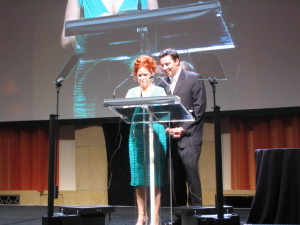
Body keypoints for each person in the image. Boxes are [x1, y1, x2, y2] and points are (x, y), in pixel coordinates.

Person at [61, 0, 158, 118]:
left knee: (144, 121)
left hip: (137, 68)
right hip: (92, 72)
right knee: (85, 130)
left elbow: (158, 30)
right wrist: (92, 25)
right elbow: (65, 41)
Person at [157, 49, 207, 225]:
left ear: (177, 61)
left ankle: (196, 215)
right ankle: (179, 217)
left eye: (168, 64)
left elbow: (199, 109)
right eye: (162, 65)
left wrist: (183, 129)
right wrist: (167, 129)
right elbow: (160, 111)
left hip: (190, 137)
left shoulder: (194, 78)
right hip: (171, 137)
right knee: (175, 179)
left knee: (191, 175)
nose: (164, 68)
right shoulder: (162, 84)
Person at [126, 55, 167, 225]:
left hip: (155, 134)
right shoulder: (131, 92)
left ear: (151, 73)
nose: (142, 78)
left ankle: (155, 216)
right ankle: (141, 216)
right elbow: (125, 112)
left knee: (154, 177)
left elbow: (165, 112)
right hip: (137, 135)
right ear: (135, 76)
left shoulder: (159, 91)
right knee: (139, 178)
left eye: (145, 74)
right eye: (139, 75)